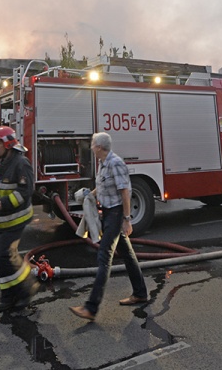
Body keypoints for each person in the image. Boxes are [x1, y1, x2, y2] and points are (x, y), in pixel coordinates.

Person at [70, 132, 149, 321]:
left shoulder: (115, 163)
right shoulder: (103, 164)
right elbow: (105, 187)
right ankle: (140, 293)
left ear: (99, 147)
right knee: (128, 255)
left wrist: (127, 219)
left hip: (115, 214)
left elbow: (125, 192)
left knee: (104, 256)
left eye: (92, 144)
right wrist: (91, 195)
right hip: (107, 213)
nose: (90, 147)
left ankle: (91, 307)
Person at [0, 126, 37, 312]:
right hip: (4, 219)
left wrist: (5, 203)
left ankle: (27, 289)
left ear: (7, 142)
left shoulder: (20, 163)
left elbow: (26, 191)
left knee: (5, 256)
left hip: (17, 218)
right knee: (0, 259)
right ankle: (7, 297)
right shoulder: (4, 161)